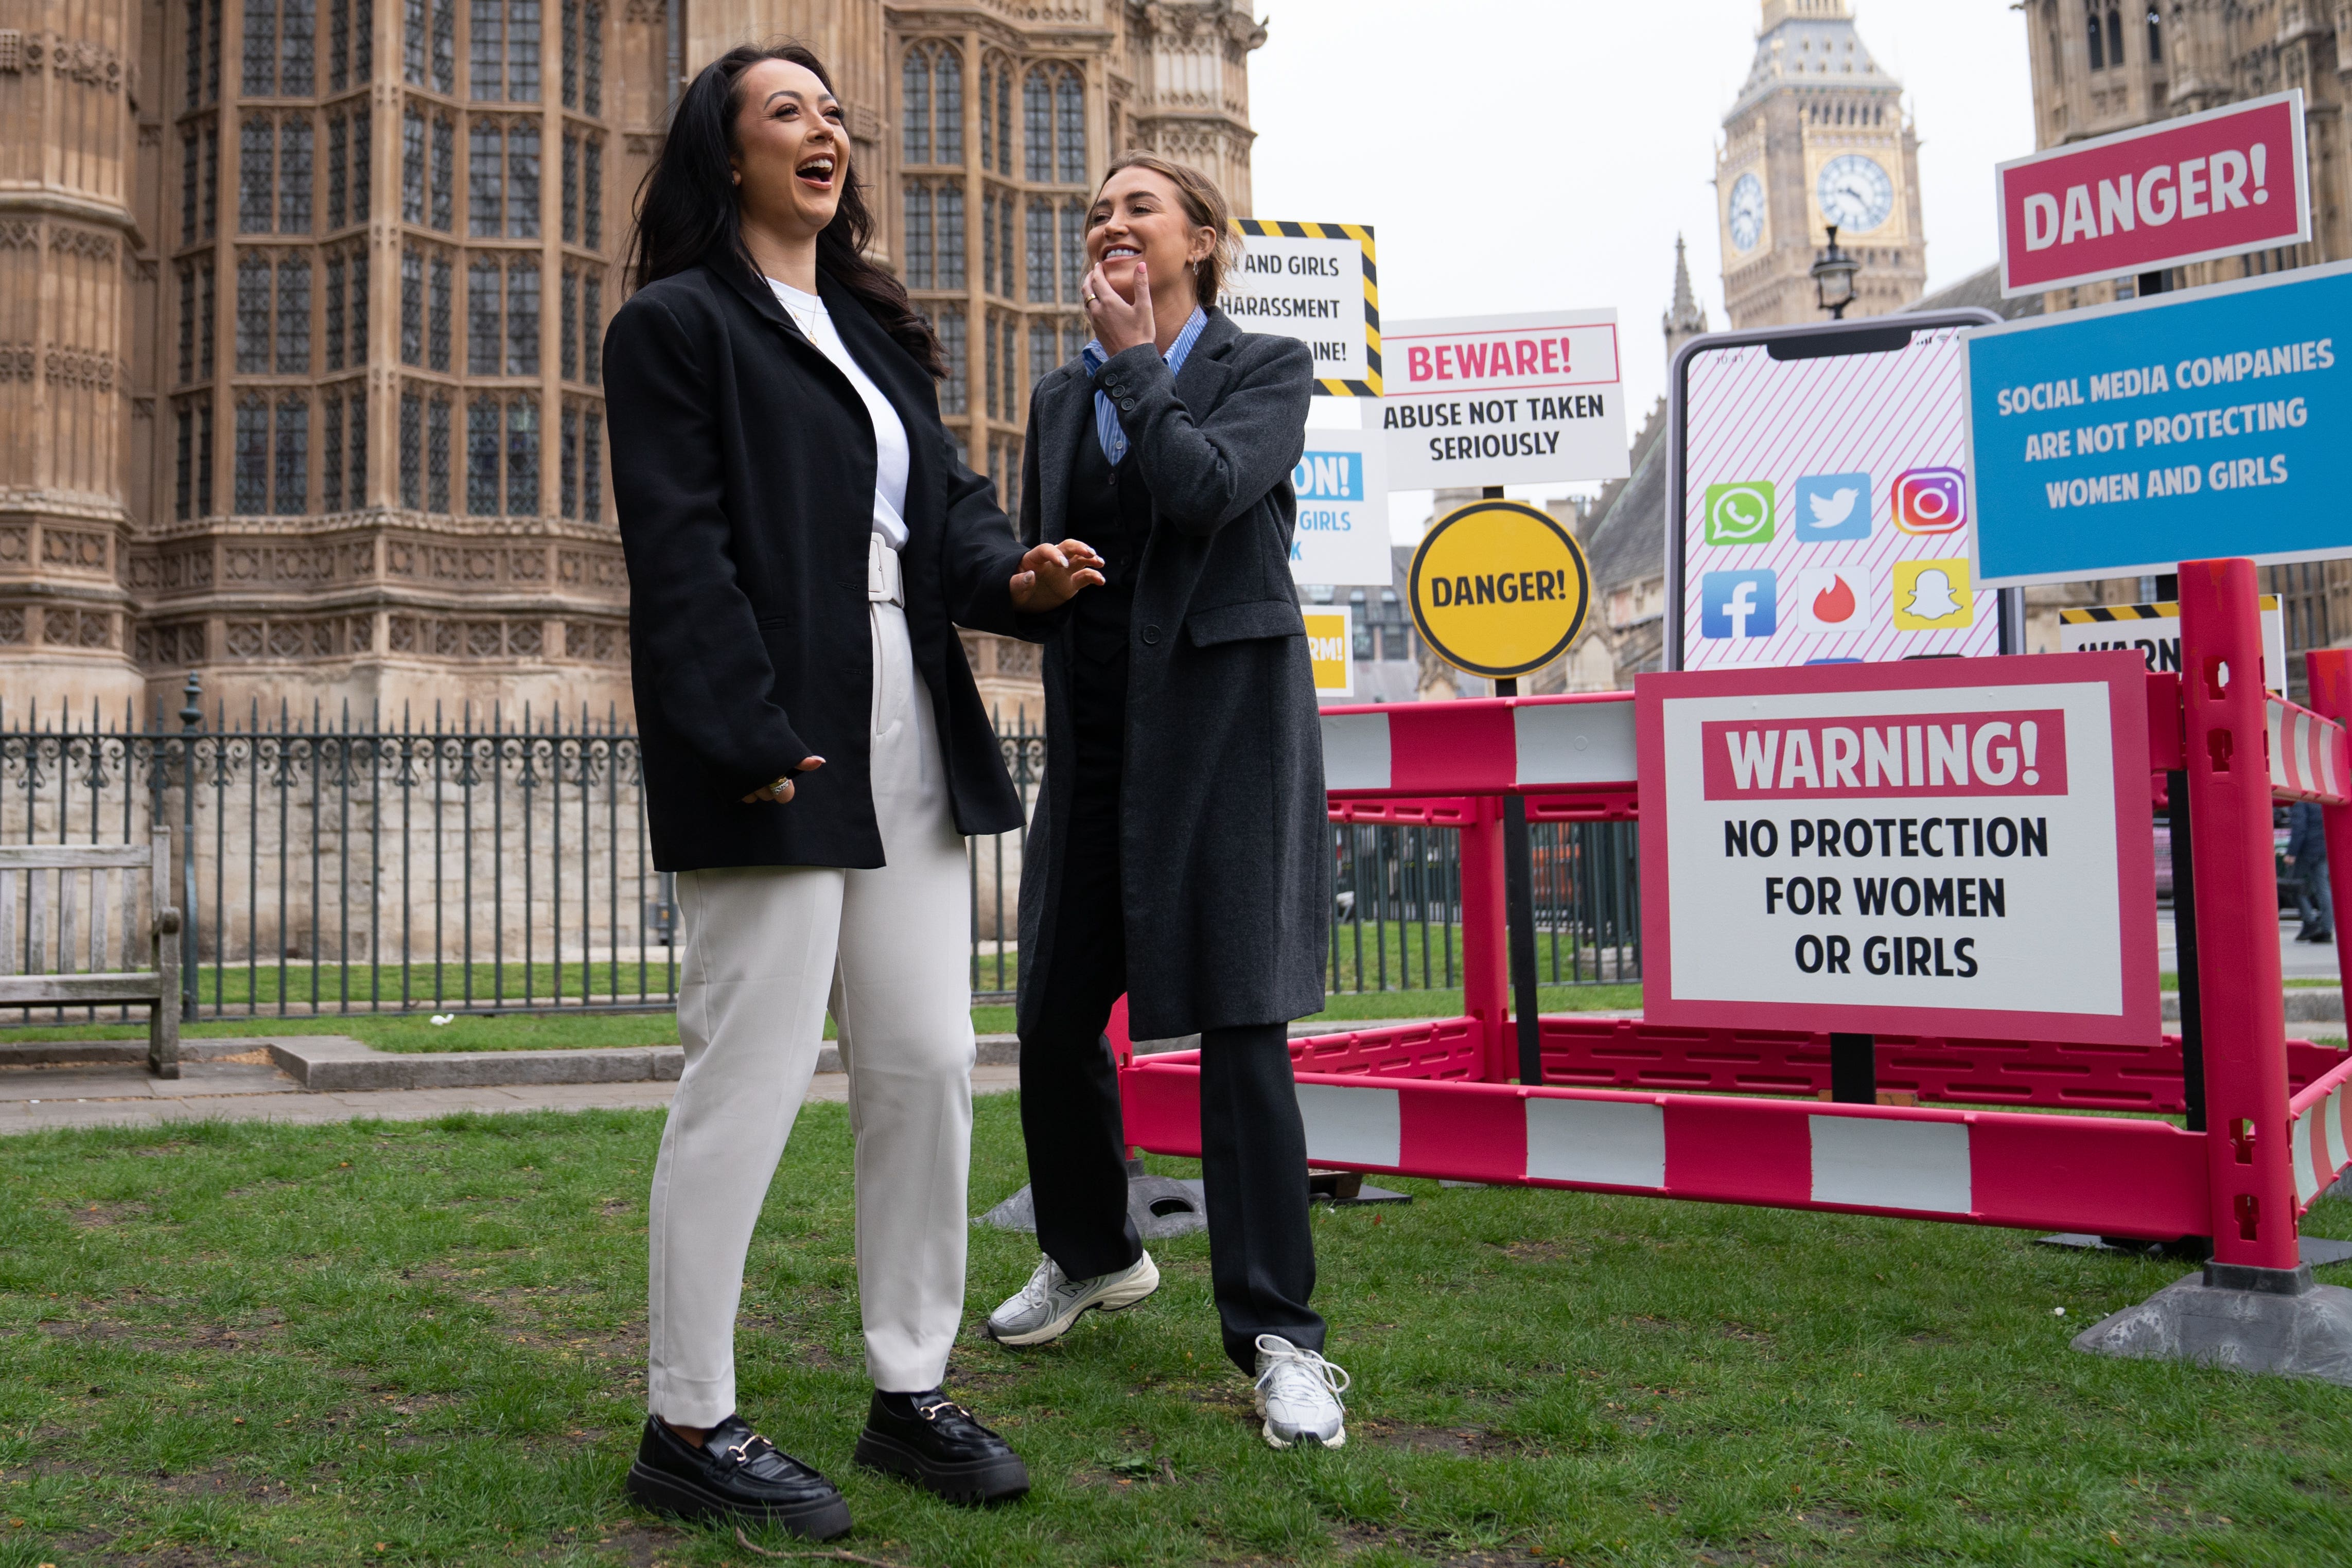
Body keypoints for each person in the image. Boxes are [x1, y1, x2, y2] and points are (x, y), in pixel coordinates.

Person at [603, 42, 1103, 1537]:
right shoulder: (674, 327)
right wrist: (738, 727)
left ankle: (909, 1382)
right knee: (745, 1080)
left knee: (928, 1061)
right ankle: (687, 1413)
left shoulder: (875, 336)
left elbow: (937, 518)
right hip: (775, 724)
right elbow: (678, 552)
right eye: (785, 112)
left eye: (831, 111)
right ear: (727, 154)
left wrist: (1014, 573)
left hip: (907, 709)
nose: (825, 129)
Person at [980, 152, 1350, 1450]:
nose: (1108, 219)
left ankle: (1278, 1340)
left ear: (1200, 237)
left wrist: (1137, 364)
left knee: (1241, 1035)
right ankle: (1092, 1251)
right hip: (1098, 735)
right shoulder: (1050, 397)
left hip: (1223, 736)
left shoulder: (1264, 366)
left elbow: (1201, 493)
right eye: (1093, 207)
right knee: (1049, 1012)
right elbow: (1071, 557)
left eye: (1137, 205)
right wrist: (1041, 572)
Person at [2288, 799, 2333, 944]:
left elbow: (2299, 828)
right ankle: (2326, 928)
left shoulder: (2301, 802)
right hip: (2323, 847)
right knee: (2323, 888)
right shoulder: (2322, 800)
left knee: (2294, 887)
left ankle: (2310, 922)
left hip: (2306, 850)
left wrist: (2292, 853)